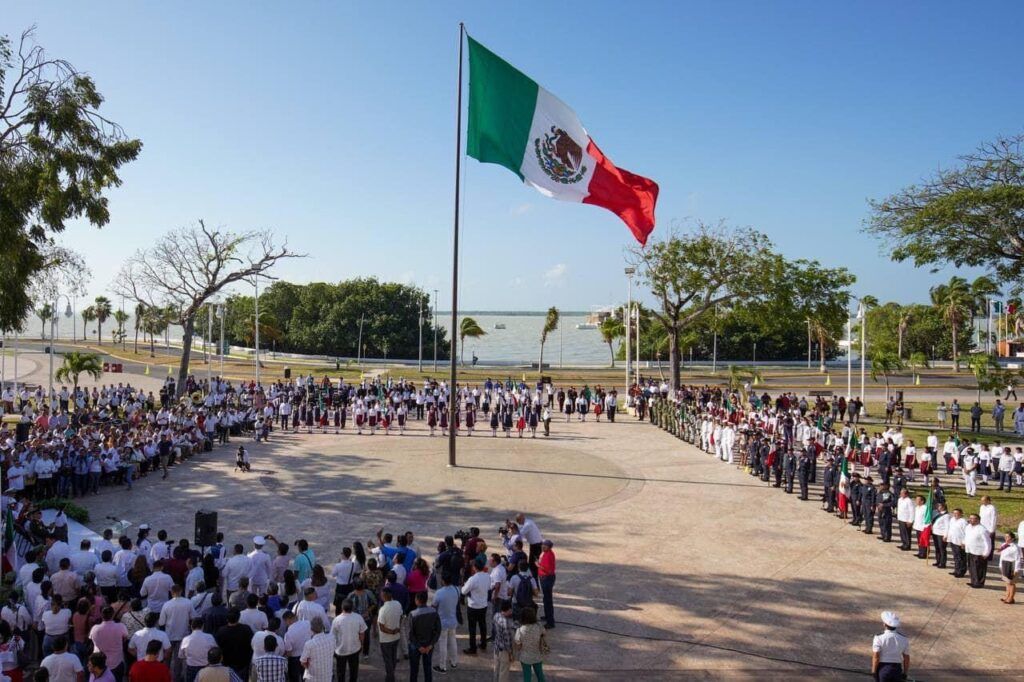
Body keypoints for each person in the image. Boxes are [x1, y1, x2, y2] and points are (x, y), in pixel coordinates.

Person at [407, 592, 441, 682]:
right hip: (429, 646)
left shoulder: (413, 614)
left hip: (415, 647)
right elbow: (438, 630)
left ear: (417, 600)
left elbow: (410, 634)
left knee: (414, 669)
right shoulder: (434, 612)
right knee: (428, 668)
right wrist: (431, 644)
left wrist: (419, 646)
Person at [88, 607, 129, 682]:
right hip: (116, 663)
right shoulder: (121, 627)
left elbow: (91, 639)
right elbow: (126, 638)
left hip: (99, 665)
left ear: (101, 615)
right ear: (113, 615)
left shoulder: (95, 628)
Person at [329, 600, 365, 682]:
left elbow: (332, 636)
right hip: (355, 649)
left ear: (342, 608)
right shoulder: (358, 617)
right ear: (352, 608)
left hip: (340, 651)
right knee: (354, 671)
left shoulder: (337, 620)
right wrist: (361, 644)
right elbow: (362, 633)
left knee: (340, 672)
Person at [870, 611, 910, 682]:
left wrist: (874, 671)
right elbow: (906, 658)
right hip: (897, 669)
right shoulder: (904, 639)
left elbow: (876, 656)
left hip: (883, 668)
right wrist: (905, 672)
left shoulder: (879, 637)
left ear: (884, 624)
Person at [514, 608, 548, 682]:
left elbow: (518, 646)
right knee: (540, 676)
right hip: (537, 655)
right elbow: (544, 634)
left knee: (527, 678)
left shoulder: (519, 630)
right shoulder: (539, 626)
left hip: (525, 657)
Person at [375, 589, 402, 682]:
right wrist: (397, 629)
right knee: (393, 658)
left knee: (388, 660)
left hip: (386, 640)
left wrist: (392, 631)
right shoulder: (398, 604)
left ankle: (390, 678)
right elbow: (401, 616)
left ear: (384, 596)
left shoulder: (383, 609)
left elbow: (381, 627)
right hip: (396, 637)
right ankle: (391, 675)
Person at [965, 514, 993, 588]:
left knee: (979, 569)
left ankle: (979, 583)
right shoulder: (968, 527)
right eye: (970, 518)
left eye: (973, 519)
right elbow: (966, 536)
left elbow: (988, 542)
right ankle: (974, 581)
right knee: (972, 568)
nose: (971, 520)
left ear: (978, 520)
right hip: (970, 550)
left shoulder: (982, 530)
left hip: (979, 552)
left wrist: (986, 553)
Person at [490, 600, 515, 682]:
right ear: (508, 610)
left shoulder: (496, 616)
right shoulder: (506, 623)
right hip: (504, 651)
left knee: (496, 669)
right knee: (503, 672)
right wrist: (511, 654)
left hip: (497, 647)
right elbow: (508, 642)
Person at [997, 532, 1022, 604]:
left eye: (1008, 537)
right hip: (1004, 564)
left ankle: (1011, 598)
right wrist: (1000, 565)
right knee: (1006, 582)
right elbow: (1002, 556)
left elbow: (1018, 559)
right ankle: (1007, 596)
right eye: (1005, 537)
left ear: (1012, 538)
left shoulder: (1015, 547)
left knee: (1011, 582)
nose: (1006, 538)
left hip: (1011, 565)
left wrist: (1016, 569)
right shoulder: (1004, 545)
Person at [537, 540, 556, 629]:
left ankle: (550, 622)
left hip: (547, 579)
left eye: (545, 546)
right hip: (544, 578)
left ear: (549, 547)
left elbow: (548, 570)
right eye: (543, 545)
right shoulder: (545, 553)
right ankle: (547, 616)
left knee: (548, 600)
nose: (543, 547)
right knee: (546, 598)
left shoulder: (548, 555)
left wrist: (538, 565)